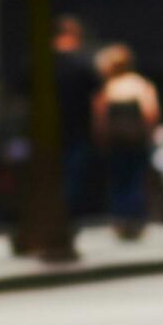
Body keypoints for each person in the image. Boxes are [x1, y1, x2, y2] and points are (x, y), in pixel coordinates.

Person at [91, 43, 160, 240]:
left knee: (118, 181)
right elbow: (151, 114)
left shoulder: (108, 88)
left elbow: (100, 118)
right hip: (137, 140)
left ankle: (121, 219)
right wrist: (148, 135)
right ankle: (136, 218)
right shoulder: (140, 85)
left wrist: (101, 139)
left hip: (116, 141)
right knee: (136, 179)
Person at [53, 16, 102, 218]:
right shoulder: (83, 63)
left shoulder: (41, 61)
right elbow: (97, 97)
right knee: (73, 178)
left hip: (47, 132)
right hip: (77, 130)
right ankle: (66, 216)